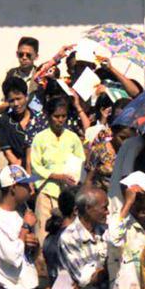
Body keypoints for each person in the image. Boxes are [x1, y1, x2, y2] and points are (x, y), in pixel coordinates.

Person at [29, 96, 85, 241]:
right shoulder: (40, 138)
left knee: (68, 236)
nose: (60, 120)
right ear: (48, 116)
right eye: (56, 116)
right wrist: (57, 176)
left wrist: (75, 179)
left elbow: (80, 161)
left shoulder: (73, 138)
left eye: (63, 116)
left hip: (68, 194)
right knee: (43, 235)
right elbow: (35, 165)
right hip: (47, 192)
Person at [0, 76, 47, 169]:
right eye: (11, 101)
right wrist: (21, 169)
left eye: (18, 98)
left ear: (26, 97)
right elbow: (7, 151)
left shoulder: (39, 119)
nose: (16, 104)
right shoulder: (4, 121)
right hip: (18, 168)